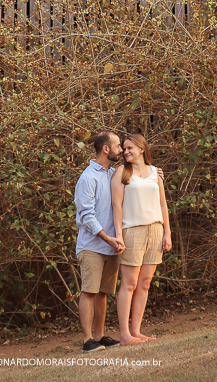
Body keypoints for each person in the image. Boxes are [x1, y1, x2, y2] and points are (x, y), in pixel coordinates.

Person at [111, 134, 172, 345]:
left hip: (155, 231)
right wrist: (118, 234)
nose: (126, 152)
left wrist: (167, 233)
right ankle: (124, 335)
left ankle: (136, 331)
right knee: (129, 283)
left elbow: (163, 205)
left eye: (130, 148)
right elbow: (116, 206)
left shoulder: (156, 172)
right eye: (124, 149)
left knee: (144, 284)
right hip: (132, 231)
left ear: (141, 149)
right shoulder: (122, 172)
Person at [73, 130, 125, 353]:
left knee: (103, 292)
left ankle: (100, 336)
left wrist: (155, 172)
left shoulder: (112, 173)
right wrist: (106, 237)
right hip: (92, 246)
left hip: (110, 246)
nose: (121, 150)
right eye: (118, 146)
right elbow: (86, 215)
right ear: (106, 149)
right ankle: (87, 342)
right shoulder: (88, 178)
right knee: (89, 292)